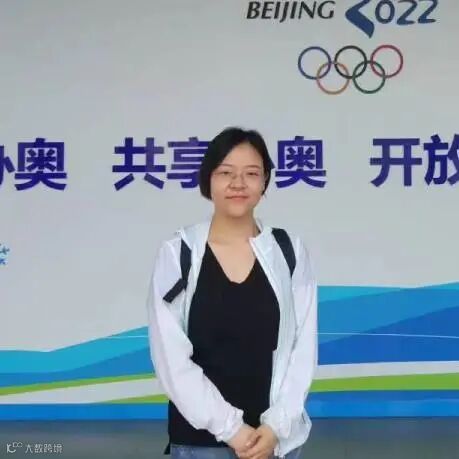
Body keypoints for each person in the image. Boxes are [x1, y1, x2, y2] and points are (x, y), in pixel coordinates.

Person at [146, 127, 318, 459]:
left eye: (251, 173)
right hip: (199, 443)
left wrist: (276, 427)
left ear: (264, 182)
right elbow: (170, 358)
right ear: (208, 180)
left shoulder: (289, 251)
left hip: (274, 443)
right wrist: (233, 430)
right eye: (226, 173)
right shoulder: (179, 253)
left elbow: (303, 348)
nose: (238, 183)